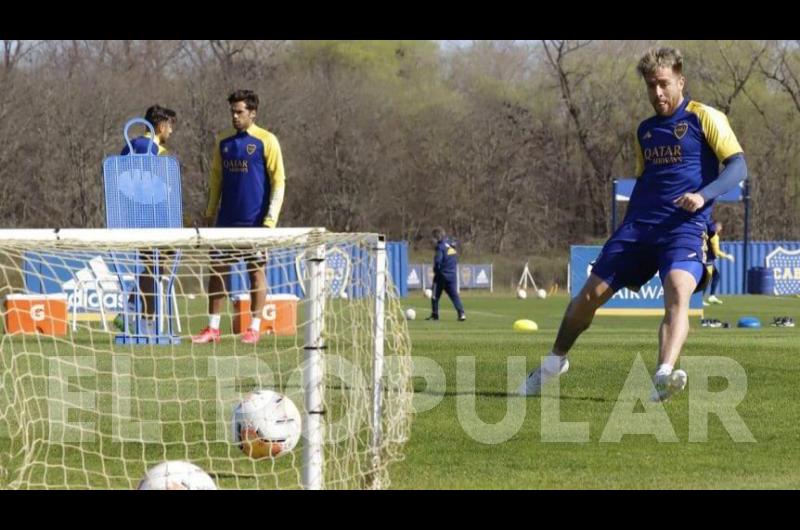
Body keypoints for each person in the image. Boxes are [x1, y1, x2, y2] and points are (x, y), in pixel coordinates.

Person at [518, 47, 748, 401]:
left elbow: (737, 166)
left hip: (684, 228)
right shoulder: (645, 131)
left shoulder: (706, 117)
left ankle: (663, 375)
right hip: (638, 229)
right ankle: (553, 364)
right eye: (650, 86)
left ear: (680, 81)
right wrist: (625, 230)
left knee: (676, 289)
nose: (657, 93)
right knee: (589, 296)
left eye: (663, 84)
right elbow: (644, 182)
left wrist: (703, 195)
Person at [192, 90, 286, 345]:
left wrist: (270, 220)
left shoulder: (267, 140)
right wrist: (210, 212)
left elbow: (279, 181)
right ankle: (213, 328)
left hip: (255, 223)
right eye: (232, 111)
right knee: (218, 272)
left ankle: (254, 327)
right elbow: (216, 179)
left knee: (255, 272)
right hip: (226, 222)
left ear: (252, 113)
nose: (235, 116)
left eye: (239, 111)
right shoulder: (223, 141)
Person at [115, 104, 178, 335]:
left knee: (152, 266)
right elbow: (165, 192)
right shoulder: (158, 153)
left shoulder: (127, 147)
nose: (171, 132)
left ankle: (133, 309)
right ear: (161, 125)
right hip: (154, 220)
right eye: (170, 126)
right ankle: (144, 320)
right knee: (156, 267)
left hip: (129, 217)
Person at [426, 227, 466, 322]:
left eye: (433, 238)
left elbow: (438, 261)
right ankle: (461, 313)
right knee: (454, 296)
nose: (432, 240)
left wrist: (436, 270)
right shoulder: (451, 245)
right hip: (452, 275)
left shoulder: (440, 247)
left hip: (441, 275)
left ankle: (435, 315)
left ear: (437, 237)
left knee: (435, 295)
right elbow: (455, 259)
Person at [704, 220, 734, 305]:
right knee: (708, 279)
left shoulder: (707, 234)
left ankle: (711, 296)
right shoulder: (714, 236)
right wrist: (727, 256)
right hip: (707, 261)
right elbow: (716, 251)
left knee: (715, 276)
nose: (720, 229)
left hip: (706, 259)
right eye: (720, 227)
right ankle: (706, 297)